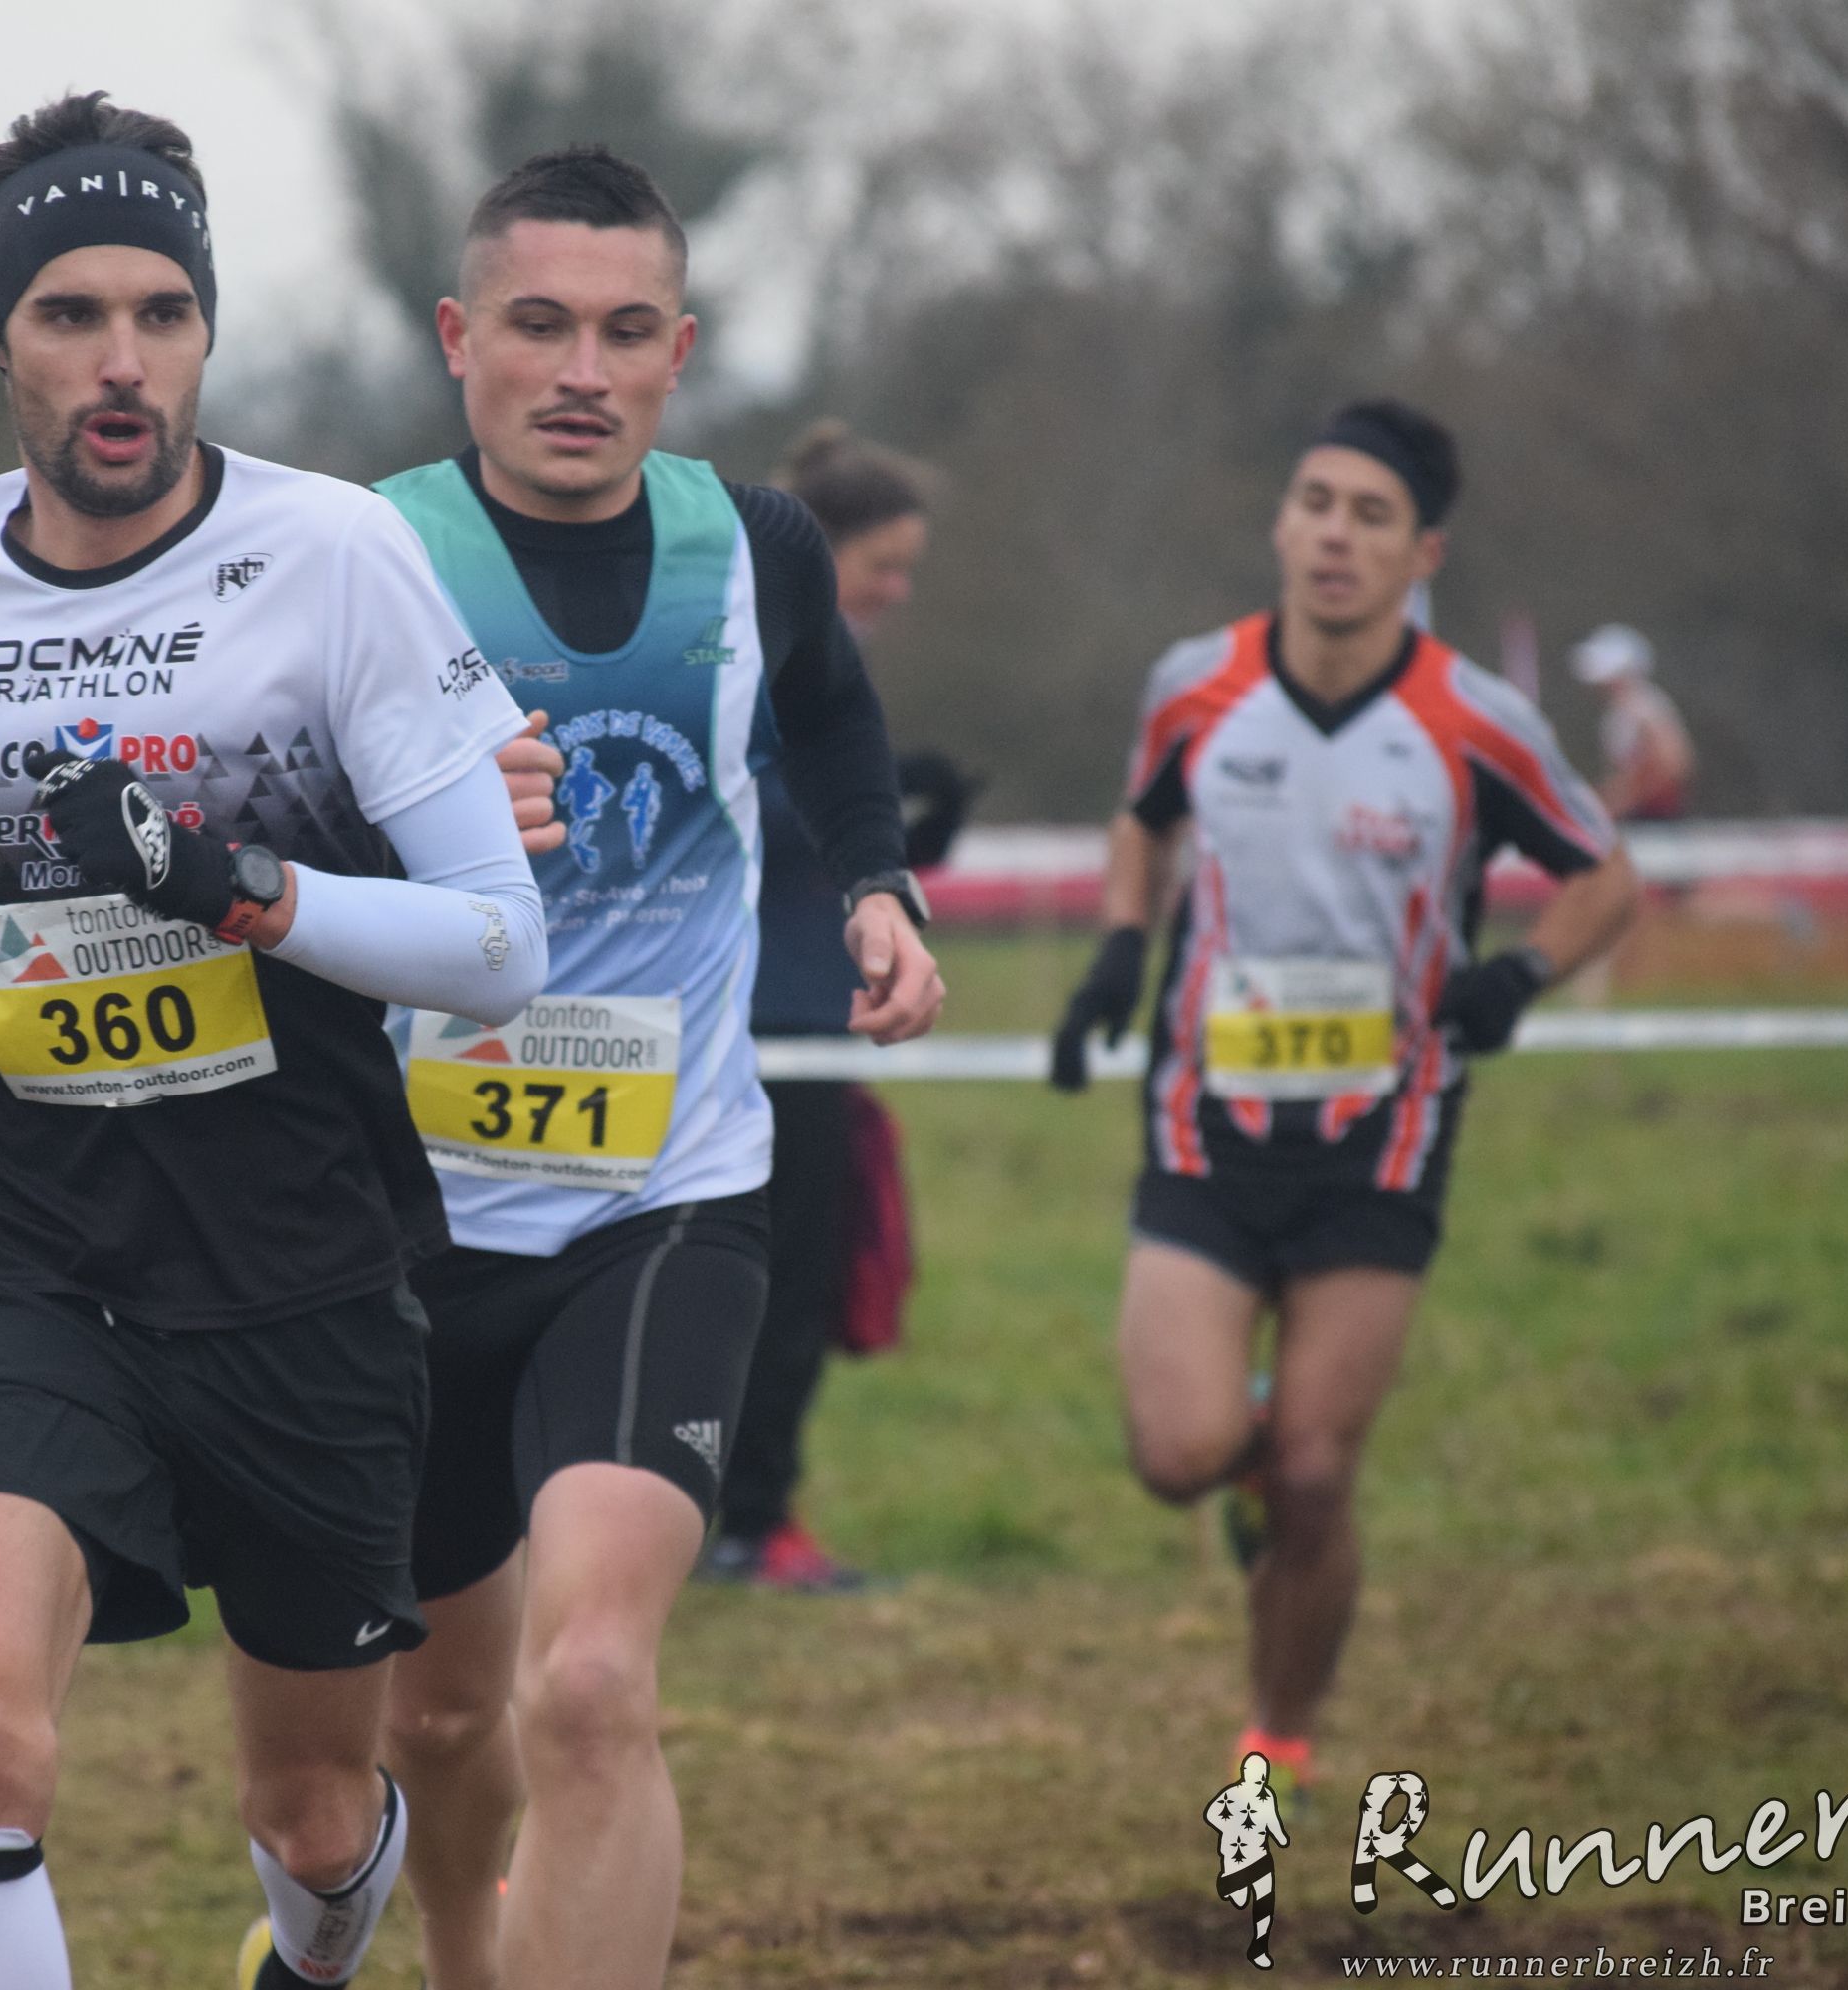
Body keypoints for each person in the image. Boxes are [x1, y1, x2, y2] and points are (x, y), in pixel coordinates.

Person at [0, 92, 546, 1990]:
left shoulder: (330, 556)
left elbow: (500, 945)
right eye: (70, 314)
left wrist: (233, 885)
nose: (120, 361)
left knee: (311, 1814)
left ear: (205, 333)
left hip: (302, 1263)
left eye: (162, 313)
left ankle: (312, 1955)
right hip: (38, 1253)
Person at [373, 149, 944, 1990]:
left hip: (665, 1201)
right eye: (537, 326)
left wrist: (875, 885)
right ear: (458, 338)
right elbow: (260, 819)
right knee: (436, 1722)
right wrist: (418, 815)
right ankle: (459, 1948)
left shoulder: (758, 547)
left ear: (677, 353)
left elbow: (834, 722)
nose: (580, 372)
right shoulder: (361, 553)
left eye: (626, 333)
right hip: (406, 1221)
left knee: (593, 1685)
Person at [1047, 400, 1639, 1801]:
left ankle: (1277, 1732)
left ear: (1421, 553)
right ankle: (1244, 1450)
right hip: (1207, 1119)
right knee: (1181, 1454)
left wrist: (1521, 975)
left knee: (1315, 1469)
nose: (1334, 535)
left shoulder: (1474, 720)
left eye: (1372, 516)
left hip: (1387, 1126)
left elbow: (1606, 874)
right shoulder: (1197, 684)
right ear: (1280, 521)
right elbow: (1142, 818)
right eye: (1315, 502)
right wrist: (1121, 946)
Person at [706, 418, 945, 1593]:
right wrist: (875, 815)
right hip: (761, 1017)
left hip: (804, 1005)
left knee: (780, 1278)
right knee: (774, 1284)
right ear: (824, 548)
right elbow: (735, 806)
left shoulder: (809, 645)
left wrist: (893, 839)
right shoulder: (752, 643)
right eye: (882, 565)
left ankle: (736, 1512)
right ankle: (749, 1522)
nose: (896, 590)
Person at [1570, 623, 1694, 821]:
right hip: (1639, 814)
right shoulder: (1623, 710)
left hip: (1653, 818)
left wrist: (1616, 802)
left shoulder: (1643, 707)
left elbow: (1673, 765)